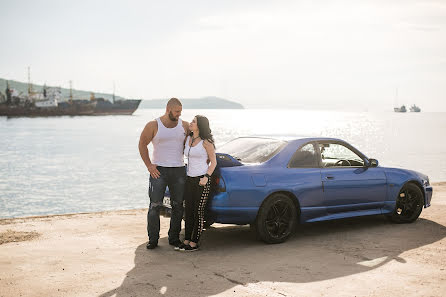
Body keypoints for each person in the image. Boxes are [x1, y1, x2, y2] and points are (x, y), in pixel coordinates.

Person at [138, 98, 189, 249]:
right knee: (155, 206)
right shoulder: (153, 125)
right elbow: (142, 144)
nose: (179, 114)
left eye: (180, 111)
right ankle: (153, 239)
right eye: (177, 111)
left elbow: (193, 143)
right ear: (168, 109)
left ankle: (173, 238)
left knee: (178, 206)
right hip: (158, 171)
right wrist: (149, 165)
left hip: (179, 170)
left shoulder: (184, 125)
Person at [177, 115, 217, 252]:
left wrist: (206, 177)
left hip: (202, 179)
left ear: (200, 125)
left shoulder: (206, 142)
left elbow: (213, 162)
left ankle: (194, 242)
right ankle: (186, 239)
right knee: (188, 211)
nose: (191, 123)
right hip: (190, 178)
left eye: (193, 121)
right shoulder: (189, 138)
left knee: (198, 212)